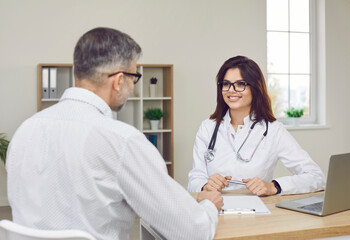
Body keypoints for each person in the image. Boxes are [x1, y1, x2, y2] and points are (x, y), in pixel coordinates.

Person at [6, 27, 223, 240]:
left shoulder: (26, 130)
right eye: (133, 78)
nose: (132, 88)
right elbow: (192, 232)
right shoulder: (122, 141)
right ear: (119, 81)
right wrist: (209, 205)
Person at [188, 55, 326, 196]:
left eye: (240, 84)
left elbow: (316, 177)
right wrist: (205, 185)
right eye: (226, 84)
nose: (231, 90)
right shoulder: (208, 128)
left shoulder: (273, 130)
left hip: (257, 212)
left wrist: (274, 186)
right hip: (214, 209)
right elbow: (194, 180)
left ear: (255, 88)